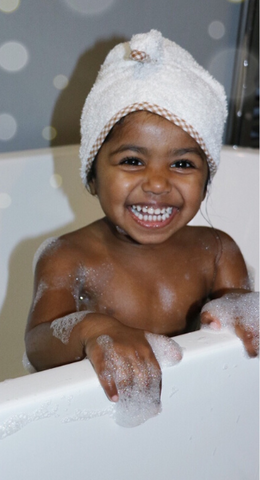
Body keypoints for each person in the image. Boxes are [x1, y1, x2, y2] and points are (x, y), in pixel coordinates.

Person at [24, 30, 258, 407]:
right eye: (133, 161)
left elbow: (243, 337)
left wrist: (243, 314)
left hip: (195, 410)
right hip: (101, 416)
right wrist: (92, 329)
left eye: (183, 164)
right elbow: (38, 345)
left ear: (207, 179)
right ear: (92, 176)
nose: (157, 183)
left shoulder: (217, 253)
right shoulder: (69, 257)